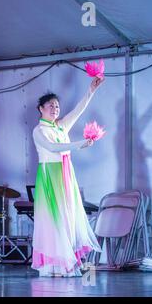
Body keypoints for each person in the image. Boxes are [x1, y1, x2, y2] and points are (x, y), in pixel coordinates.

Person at [31, 76, 104, 277]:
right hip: (49, 175)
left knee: (68, 218)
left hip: (65, 174)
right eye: (51, 106)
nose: (55, 109)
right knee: (52, 220)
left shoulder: (61, 126)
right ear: (41, 109)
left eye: (57, 106)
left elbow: (78, 110)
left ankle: (67, 261)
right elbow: (53, 148)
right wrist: (79, 144)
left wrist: (91, 90)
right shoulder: (39, 130)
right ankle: (53, 265)